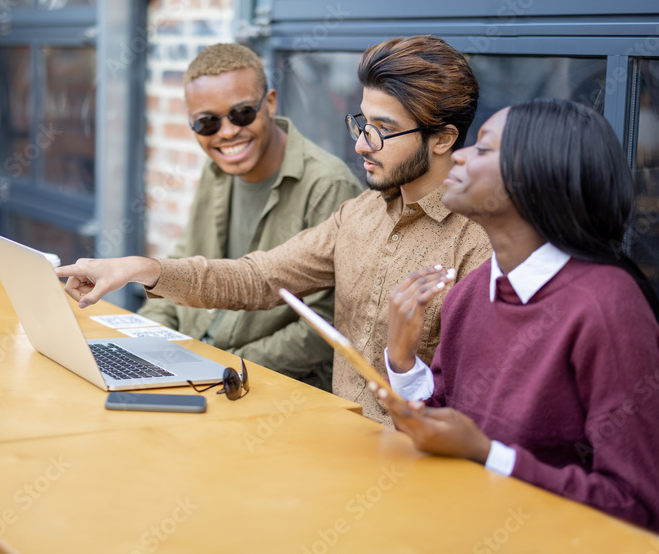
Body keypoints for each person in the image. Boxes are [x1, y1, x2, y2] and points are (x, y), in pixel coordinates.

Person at [57, 35, 492, 423]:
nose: (361, 143)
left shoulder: (479, 247)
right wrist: (139, 268)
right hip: (333, 440)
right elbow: (258, 278)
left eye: (383, 130)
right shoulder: (360, 214)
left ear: (442, 138)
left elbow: (477, 407)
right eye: (362, 123)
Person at [374, 99, 659, 546]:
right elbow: (448, 426)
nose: (459, 154)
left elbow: (634, 511)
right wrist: (402, 362)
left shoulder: (608, 310)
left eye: (483, 149)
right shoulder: (472, 289)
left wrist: (489, 456)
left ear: (537, 179)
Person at [137, 43, 362, 389]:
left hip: (263, 383)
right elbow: (181, 261)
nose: (226, 132)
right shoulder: (217, 171)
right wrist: (145, 339)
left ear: (269, 103)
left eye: (242, 113)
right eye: (207, 123)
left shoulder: (328, 185)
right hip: (194, 363)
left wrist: (225, 367)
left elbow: (328, 323)